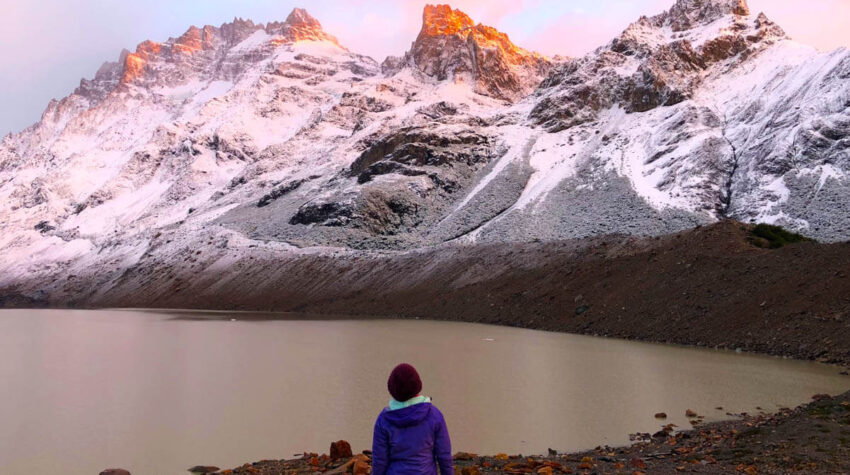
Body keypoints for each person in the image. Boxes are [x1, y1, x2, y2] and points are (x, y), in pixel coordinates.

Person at [371, 363, 453, 475]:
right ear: (417, 385)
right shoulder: (434, 414)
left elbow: (380, 461)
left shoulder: (384, 419)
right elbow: (444, 456)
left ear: (392, 390)